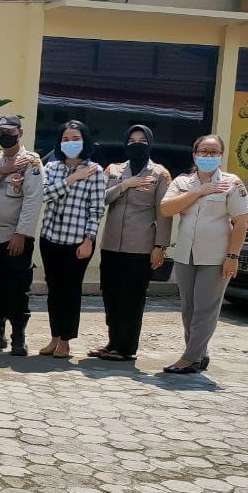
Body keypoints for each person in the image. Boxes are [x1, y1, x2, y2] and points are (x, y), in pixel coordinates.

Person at [159, 134, 248, 374]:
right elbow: (166, 208)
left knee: (205, 309)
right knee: (188, 309)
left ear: (221, 156)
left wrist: (233, 256)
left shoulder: (232, 183)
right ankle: (199, 353)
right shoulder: (182, 182)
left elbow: (241, 221)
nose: (208, 156)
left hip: (216, 257)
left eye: (214, 152)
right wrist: (199, 191)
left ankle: (189, 358)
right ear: (195, 154)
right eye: (203, 152)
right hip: (185, 254)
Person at [90, 125, 171, 362]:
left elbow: (164, 213)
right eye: (132, 140)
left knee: (132, 298)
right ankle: (113, 342)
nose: (137, 144)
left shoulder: (160, 174)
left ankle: (126, 348)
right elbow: (100, 198)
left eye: (142, 141)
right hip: (111, 245)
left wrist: (160, 246)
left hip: (140, 247)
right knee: (110, 294)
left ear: (150, 143)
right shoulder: (113, 170)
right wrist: (125, 185)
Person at [0, 115, 43, 357]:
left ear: (20, 133)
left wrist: (21, 233)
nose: (4, 136)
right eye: (0, 132)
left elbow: (33, 200)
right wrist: (1, 171)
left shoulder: (31, 161)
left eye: (9, 132)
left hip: (14, 236)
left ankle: (18, 337)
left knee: (16, 289)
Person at [38, 120, 106, 359]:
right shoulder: (51, 167)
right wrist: (72, 178)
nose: (70, 143)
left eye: (75, 138)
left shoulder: (95, 171)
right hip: (50, 237)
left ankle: (66, 341)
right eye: (65, 139)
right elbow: (43, 194)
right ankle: (54, 336)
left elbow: (96, 209)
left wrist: (89, 239)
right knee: (54, 289)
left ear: (85, 141)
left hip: (78, 241)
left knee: (70, 291)